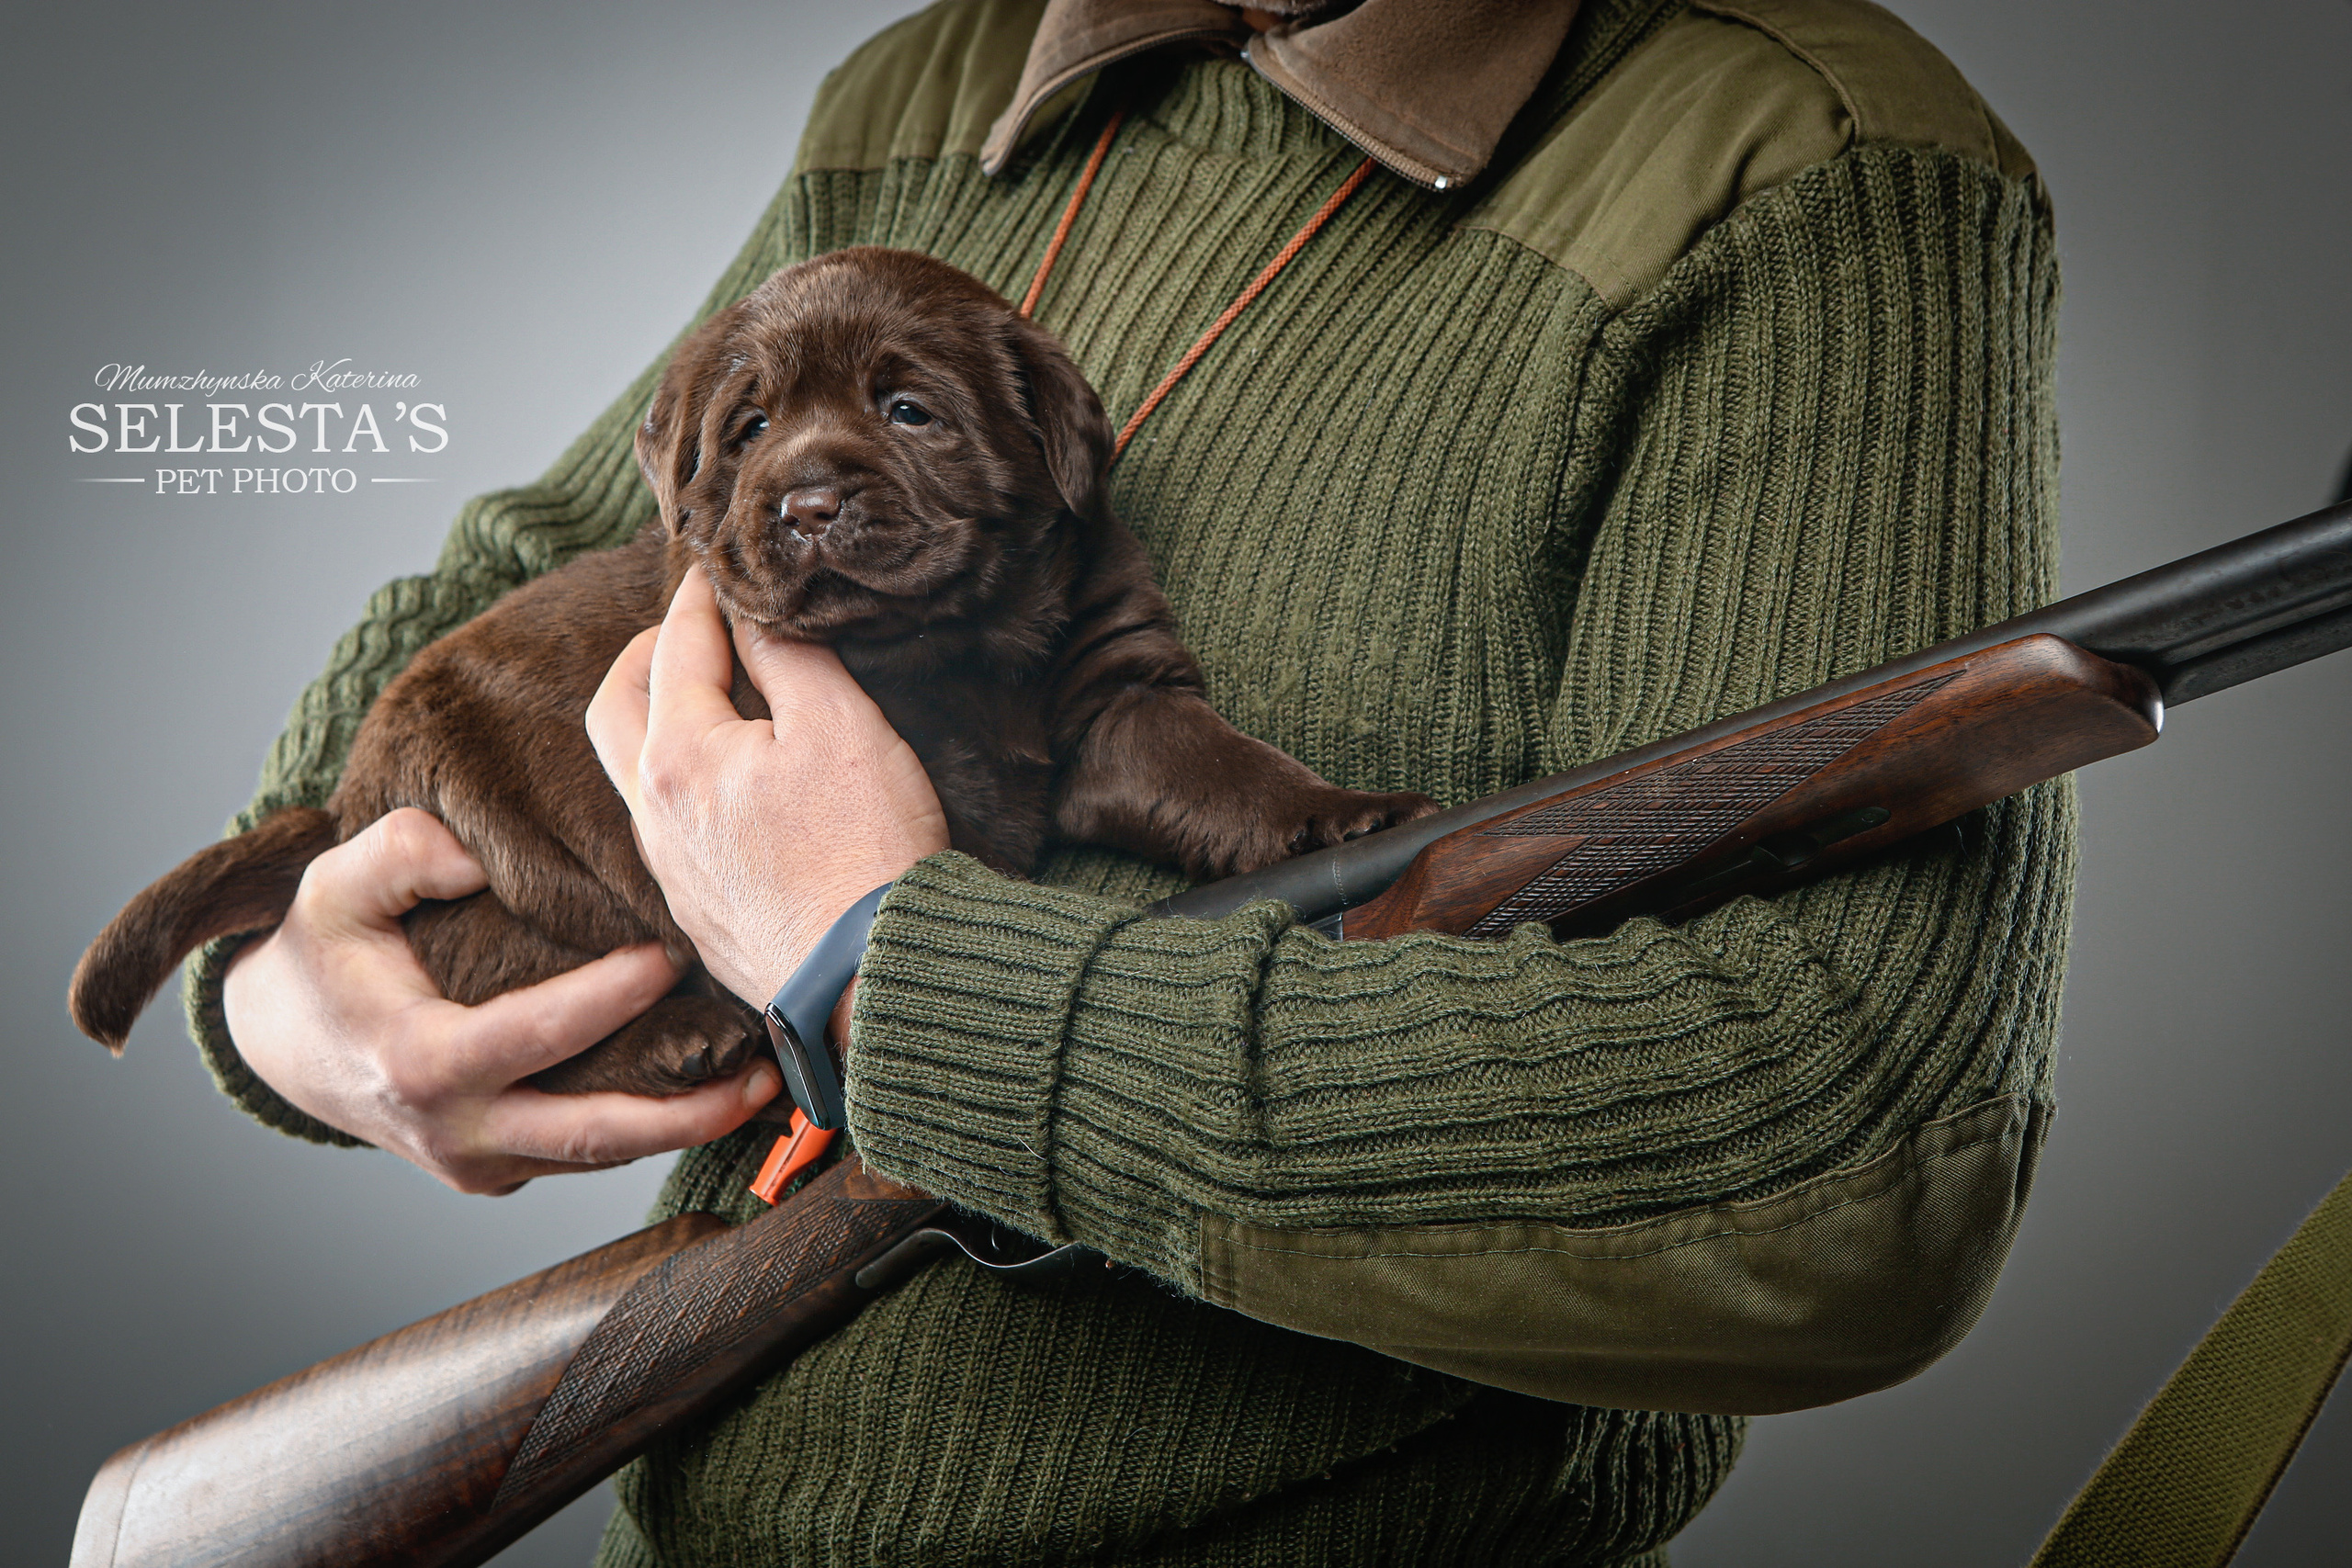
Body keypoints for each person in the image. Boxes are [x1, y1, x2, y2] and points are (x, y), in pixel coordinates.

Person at [201, 0, 2071, 1560]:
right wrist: (289, 959)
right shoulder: (937, 84)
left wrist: (897, 977)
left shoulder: (1800, 167)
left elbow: (1851, 1152)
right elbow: (541, 564)